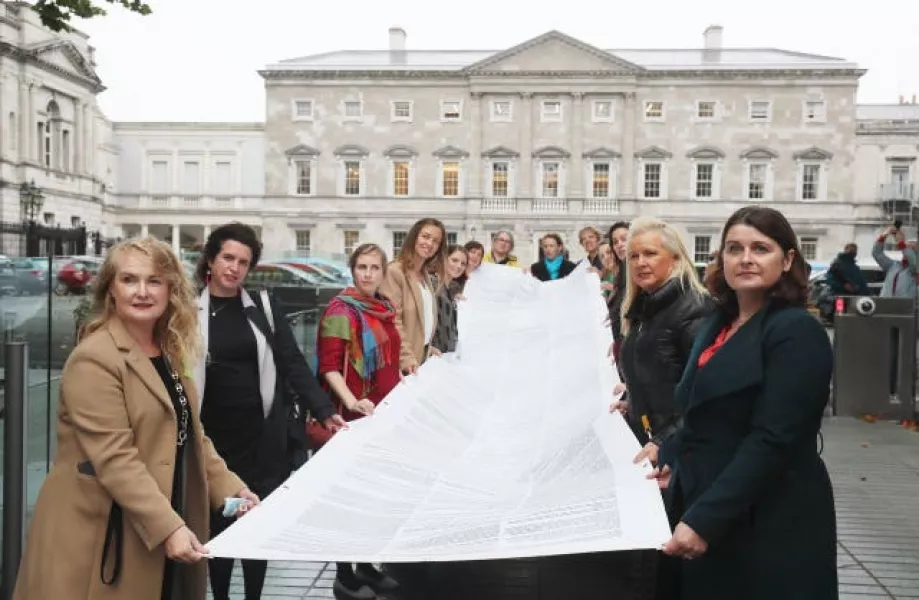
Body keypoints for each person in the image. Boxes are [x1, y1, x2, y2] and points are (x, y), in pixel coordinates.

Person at [14, 237, 258, 600]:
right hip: (100, 537)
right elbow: (116, 459)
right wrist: (169, 528)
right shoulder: (94, 358)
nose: (142, 291)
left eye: (154, 281)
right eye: (129, 280)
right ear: (111, 289)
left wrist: (231, 488)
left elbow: (190, 432)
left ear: (170, 289)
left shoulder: (168, 349)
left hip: (155, 519)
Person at [651, 206, 837, 600]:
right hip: (707, 499)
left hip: (765, 515)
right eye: (734, 248)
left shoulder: (797, 331)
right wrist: (668, 452)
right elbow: (704, 412)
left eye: (761, 248)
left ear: (787, 260)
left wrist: (705, 520)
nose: (746, 259)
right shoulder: (719, 322)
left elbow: (774, 439)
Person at [193, 223, 346, 600]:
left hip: (262, 440)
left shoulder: (262, 306)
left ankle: (254, 597)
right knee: (221, 523)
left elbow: (292, 362)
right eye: (228, 258)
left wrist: (325, 410)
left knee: (258, 521)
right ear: (211, 259)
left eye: (243, 262)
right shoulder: (188, 311)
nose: (234, 267)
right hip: (214, 442)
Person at [316, 243, 403, 600]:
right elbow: (328, 367)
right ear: (352, 270)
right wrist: (353, 402)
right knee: (344, 499)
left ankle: (366, 565)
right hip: (352, 417)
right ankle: (343, 574)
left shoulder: (382, 308)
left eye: (374, 267)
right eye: (361, 267)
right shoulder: (341, 310)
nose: (367, 274)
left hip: (381, 414)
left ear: (384, 272)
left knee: (372, 497)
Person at [380, 217, 447, 373]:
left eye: (436, 241)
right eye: (425, 236)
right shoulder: (394, 272)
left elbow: (421, 321)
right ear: (414, 237)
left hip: (420, 359)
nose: (430, 244)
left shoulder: (426, 276)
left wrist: (427, 348)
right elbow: (393, 321)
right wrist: (406, 358)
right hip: (401, 365)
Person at [431, 244, 468, 354]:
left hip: (445, 356)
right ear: (444, 259)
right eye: (454, 260)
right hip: (430, 356)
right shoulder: (432, 283)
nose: (458, 266)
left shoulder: (448, 289)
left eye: (463, 263)